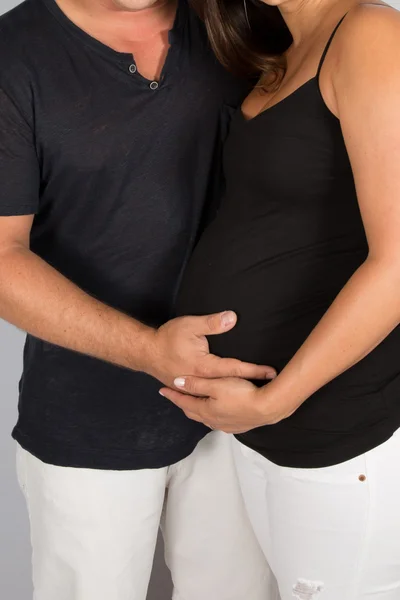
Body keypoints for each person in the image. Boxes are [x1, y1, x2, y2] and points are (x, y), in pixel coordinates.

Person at [0, 0, 278, 598]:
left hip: (241, 403)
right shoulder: (14, 54)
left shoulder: (236, 22)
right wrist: (151, 350)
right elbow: (1, 258)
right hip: (87, 420)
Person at [165, 0, 400, 598]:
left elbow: (398, 261)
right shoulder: (280, 49)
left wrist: (277, 402)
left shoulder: (368, 33)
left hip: (334, 427)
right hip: (257, 430)